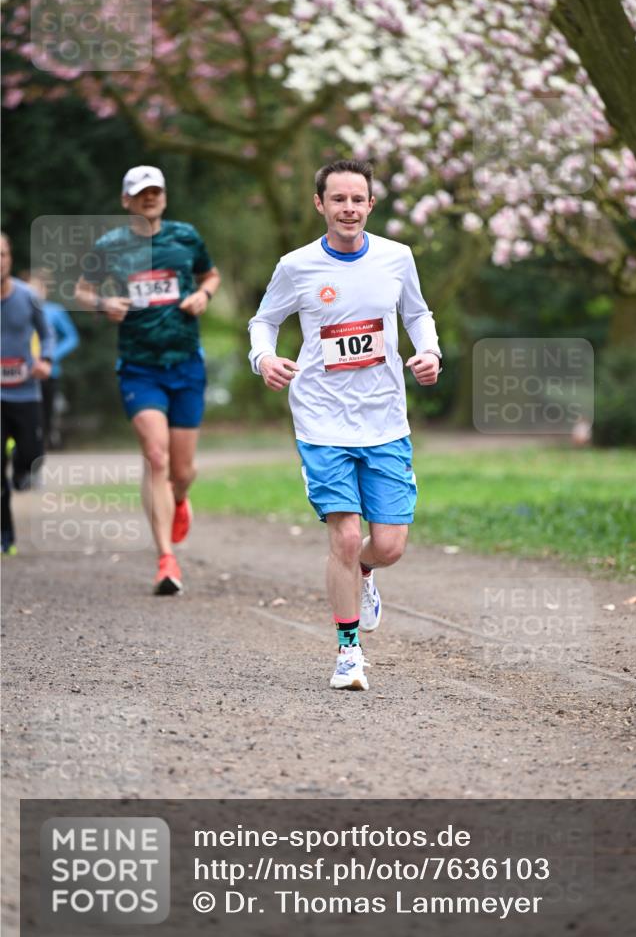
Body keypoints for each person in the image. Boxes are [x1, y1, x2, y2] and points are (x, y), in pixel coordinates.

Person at [248, 159, 441, 691]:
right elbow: (263, 322)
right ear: (320, 205)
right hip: (321, 420)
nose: (348, 208)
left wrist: (429, 352)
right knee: (347, 536)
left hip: (384, 420)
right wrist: (263, 359)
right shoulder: (297, 266)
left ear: (371, 204)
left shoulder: (397, 258)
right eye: (338, 199)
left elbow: (418, 314)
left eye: (358, 199)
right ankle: (348, 650)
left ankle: (365, 576)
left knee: (389, 545)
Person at [75, 166, 221, 594]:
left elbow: (210, 274)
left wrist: (203, 295)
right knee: (155, 458)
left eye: (155, 191)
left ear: (164, 197)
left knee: (182, 470)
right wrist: (103, 303)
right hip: (140, 367)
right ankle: (166, 560)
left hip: (186, 364)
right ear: (127, 201)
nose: (149, 198)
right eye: (140, 193)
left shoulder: (186, 237)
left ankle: (178, 499)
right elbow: (83, 289)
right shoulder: (110, 246)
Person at [1, 232, 55, 554]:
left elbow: (47, 335)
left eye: (2, 254)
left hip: (25, 393)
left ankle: (22, 470)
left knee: (33, 455)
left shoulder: (27, 296)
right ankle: (5, 535)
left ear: (10, 258)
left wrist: (45, 360)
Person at [22, 268, 80, 449]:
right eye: (30, 287)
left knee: (45, 414)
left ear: (46, 290)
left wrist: (50, 356)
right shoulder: (16, 309)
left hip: (48, 372)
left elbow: (72, 337)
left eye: (38, 288)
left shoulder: (55, 311)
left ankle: (43, 444)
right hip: (21, 372)